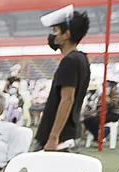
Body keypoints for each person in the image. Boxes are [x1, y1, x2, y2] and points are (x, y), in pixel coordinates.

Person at [35, 6, 91, 151]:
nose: (53, 35)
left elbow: (67, 99)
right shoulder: (82, 59)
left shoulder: (69, 61)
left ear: (66, 34)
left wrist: (53, 137)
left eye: (56, 30)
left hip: (60, 139)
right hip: (69, 133)